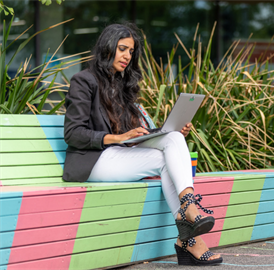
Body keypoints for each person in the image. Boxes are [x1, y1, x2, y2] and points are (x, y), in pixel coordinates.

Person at [62, 23, 222, 266]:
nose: (127, 56)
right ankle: (189, 233)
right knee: (166, 158)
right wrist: (117, 138)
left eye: (131, 52)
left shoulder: (122, 86)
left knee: (174, 139)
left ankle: (188, 223)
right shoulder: (83, 81)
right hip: (94, 160)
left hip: (119, 155)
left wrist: (168, 133)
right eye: (122, 49)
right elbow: (73, 133)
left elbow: (135, 134)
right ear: (107, 47)